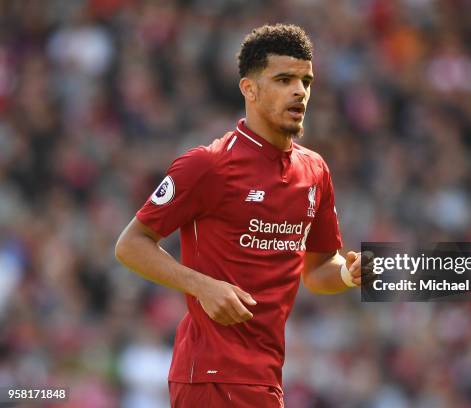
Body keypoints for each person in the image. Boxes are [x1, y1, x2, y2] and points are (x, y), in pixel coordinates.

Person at [115, 23, 363, 407]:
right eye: (284, 79)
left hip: (264, 378)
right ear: (249, 89)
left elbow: (316, 271)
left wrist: (349, 273)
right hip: (212, 377)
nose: (299, 91)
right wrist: (201, 285)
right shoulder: (208, 165)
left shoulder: (314, 171)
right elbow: (130, 245)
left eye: (305, 81)